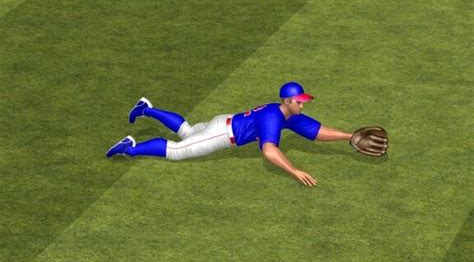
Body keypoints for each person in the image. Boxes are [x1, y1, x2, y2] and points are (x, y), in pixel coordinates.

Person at [106, 81, 354, 187]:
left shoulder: (288, 115)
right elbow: (269, 150)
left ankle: (145, 109)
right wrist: (294, 170)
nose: (303, 105)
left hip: (224, 122)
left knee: (188, 131)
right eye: (299, 101)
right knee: (176, 151)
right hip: (221, 134)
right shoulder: (273, 117)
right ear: (288, 101)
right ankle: (130, 148)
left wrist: (349, 136)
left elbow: (317, 131)